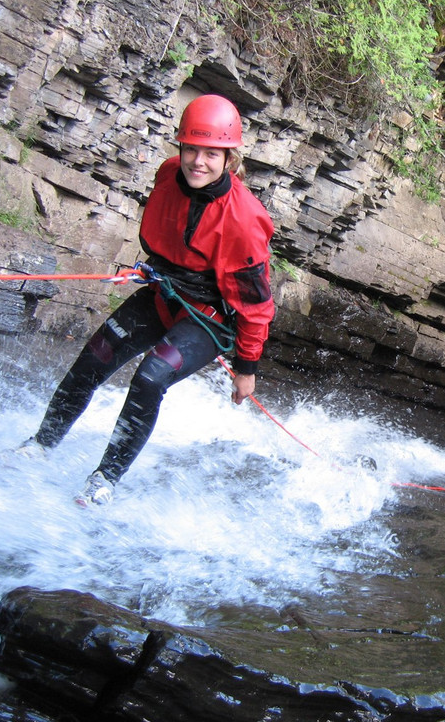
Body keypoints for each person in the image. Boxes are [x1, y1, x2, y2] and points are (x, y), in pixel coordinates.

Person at [16, 93, 276, 506]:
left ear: (230, 159)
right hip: (162, 294)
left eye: (212, 153)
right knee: (94, 357)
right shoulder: (168, 174)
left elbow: (256, 305)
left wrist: (246, 368)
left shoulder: (243, 220)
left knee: (150, 378)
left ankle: (104, 479)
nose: (198, 161)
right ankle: (40, 445)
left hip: (208, 319)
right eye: (191, 148)